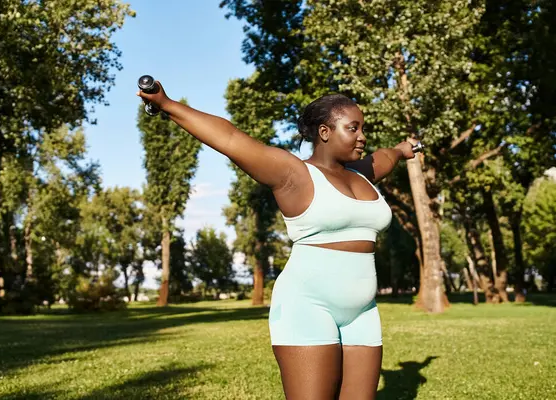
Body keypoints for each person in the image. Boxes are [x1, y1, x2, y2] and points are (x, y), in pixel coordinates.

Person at [137, 84, 416, 399]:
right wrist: (167, 104)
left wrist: (405, 149)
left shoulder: (362, 174)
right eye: (353, 128)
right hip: (308, 306)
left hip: (363, 312)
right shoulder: (294, 174)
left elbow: (387, 157)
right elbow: (230, 140)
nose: (362, 136)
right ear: (325, 132)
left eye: (362, 128)